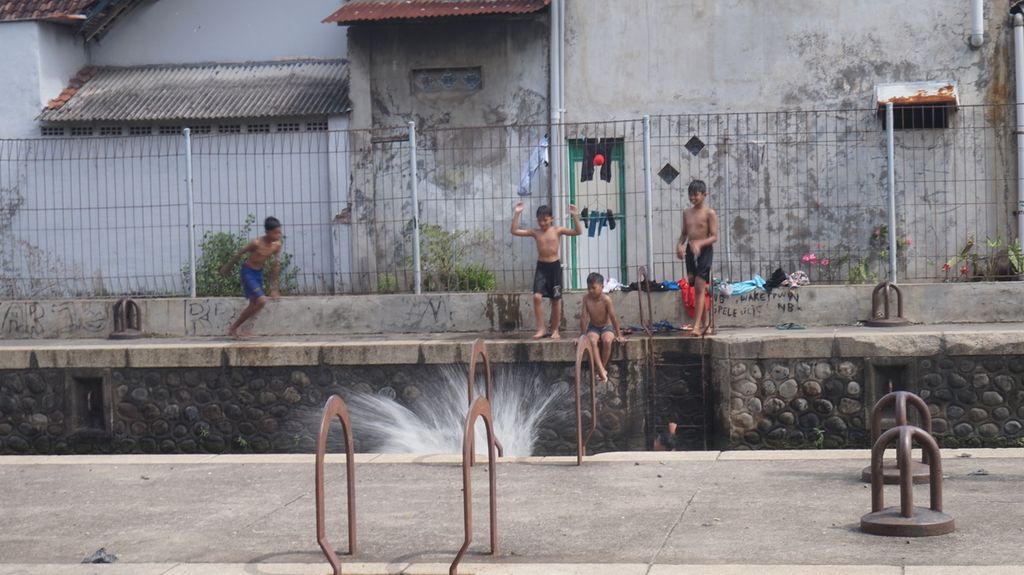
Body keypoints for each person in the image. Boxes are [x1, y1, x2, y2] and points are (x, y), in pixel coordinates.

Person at [511, 202, 582, 339]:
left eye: (545, 220)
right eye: (539, 220)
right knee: (537, 297)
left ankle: (555, 329)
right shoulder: (535, 232)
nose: (542, 223)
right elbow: (514, 231)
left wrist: (575, 216)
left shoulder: (558, 230)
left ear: (552, 219)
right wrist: (517, 213)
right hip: (541, 268)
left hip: (554, 267)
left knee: (555, 300)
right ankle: (541, 329)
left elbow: (578, 232)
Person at [220, 216, 283, 339]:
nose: (278, 235)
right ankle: (234, 328)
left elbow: (275, 266)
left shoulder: (276, 246)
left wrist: (274, 288)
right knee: (261, 300)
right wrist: (228, 267)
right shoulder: (256, 243)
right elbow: (240, 253)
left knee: (254, 304)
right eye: (275, 233)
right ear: (267, 232)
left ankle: (243, 329)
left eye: (279, 232)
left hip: (258, 273)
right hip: (248, 272)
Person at [675, 180, 718, 337]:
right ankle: (706, 324)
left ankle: (697, 326)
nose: (693, 198)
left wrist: (700, 243)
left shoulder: (709, 213)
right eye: (690, 195)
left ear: (704, 195)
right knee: (695, 287)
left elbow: (714, 237)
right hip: (691, 250)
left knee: (700, 286)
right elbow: (684, 234)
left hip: (705, 250)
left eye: (696, 195)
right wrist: (679, 246)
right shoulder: (686, 212)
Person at [579, 272, 624, 379]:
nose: (591, 291)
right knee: (592, 341)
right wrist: (581, 335)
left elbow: (613, 318)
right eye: (589, 288)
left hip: (606, 327)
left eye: (593, 288)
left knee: (607, 341)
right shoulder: (586, 298)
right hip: (593, 327)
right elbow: (584, 317)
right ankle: (601, 370)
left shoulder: (606, 300)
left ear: (602, 287)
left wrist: (619, 334)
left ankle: (601, 368)